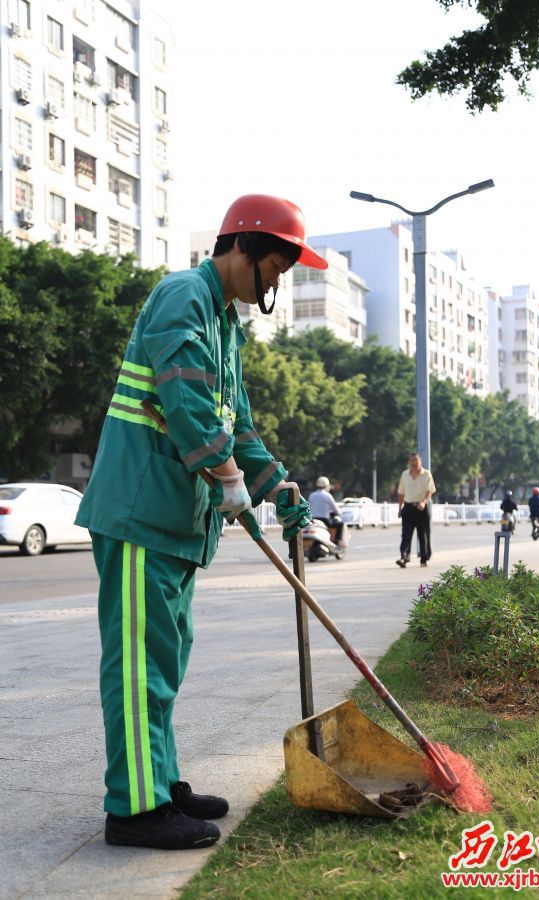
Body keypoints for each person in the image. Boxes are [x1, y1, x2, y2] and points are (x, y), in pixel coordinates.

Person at [75, 194, 327, 851]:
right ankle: (133, 809)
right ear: (242, 247)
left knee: (165, 662)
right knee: (137, 667)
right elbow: (184, 401)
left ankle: (159, 783)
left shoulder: (226, 326)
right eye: (271, 268)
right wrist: (227, 479)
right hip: (139, 513)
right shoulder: (184, 295)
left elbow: (233, 422)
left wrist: (277, 486)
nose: (273, 284)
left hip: (178, 524)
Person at [396, 452, 436, 568]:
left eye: (416, 461)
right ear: (409, 462)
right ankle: (404, 557)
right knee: (406, 534)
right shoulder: (405, 475)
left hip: (422, 508)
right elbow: (401, 493)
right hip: (408, 507)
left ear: (420, 462)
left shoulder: (426, 474)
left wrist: (423, 502)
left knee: (423, 534)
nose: (414, 463)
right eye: (412, 461)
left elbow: (430, 491)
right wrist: (400, 508)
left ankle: (424, 558)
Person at [308, 476, 344, 545]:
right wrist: (339, 513)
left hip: (313, 520)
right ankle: (337, 542)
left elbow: (308, 507)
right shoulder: (327, 496)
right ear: (327, 485)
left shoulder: (311, 495)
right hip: (325, 521)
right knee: (340, 524)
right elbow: (335, 509)